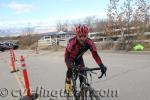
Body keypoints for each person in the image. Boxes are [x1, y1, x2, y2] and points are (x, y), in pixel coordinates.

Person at [64, 24, 107, 93]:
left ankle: (82, 91)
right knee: (69, 71)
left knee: (82, 73)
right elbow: (66, 58)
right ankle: (67, 87)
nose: (82, 38)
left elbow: (95, 55)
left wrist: (101, 65)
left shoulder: (89, 42)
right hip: (70, 58)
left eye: (84, 36)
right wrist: (73, 67)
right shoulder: (72, 42)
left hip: (78, 58)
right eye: (80, 36)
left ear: (87, 35)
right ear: (76, 35)